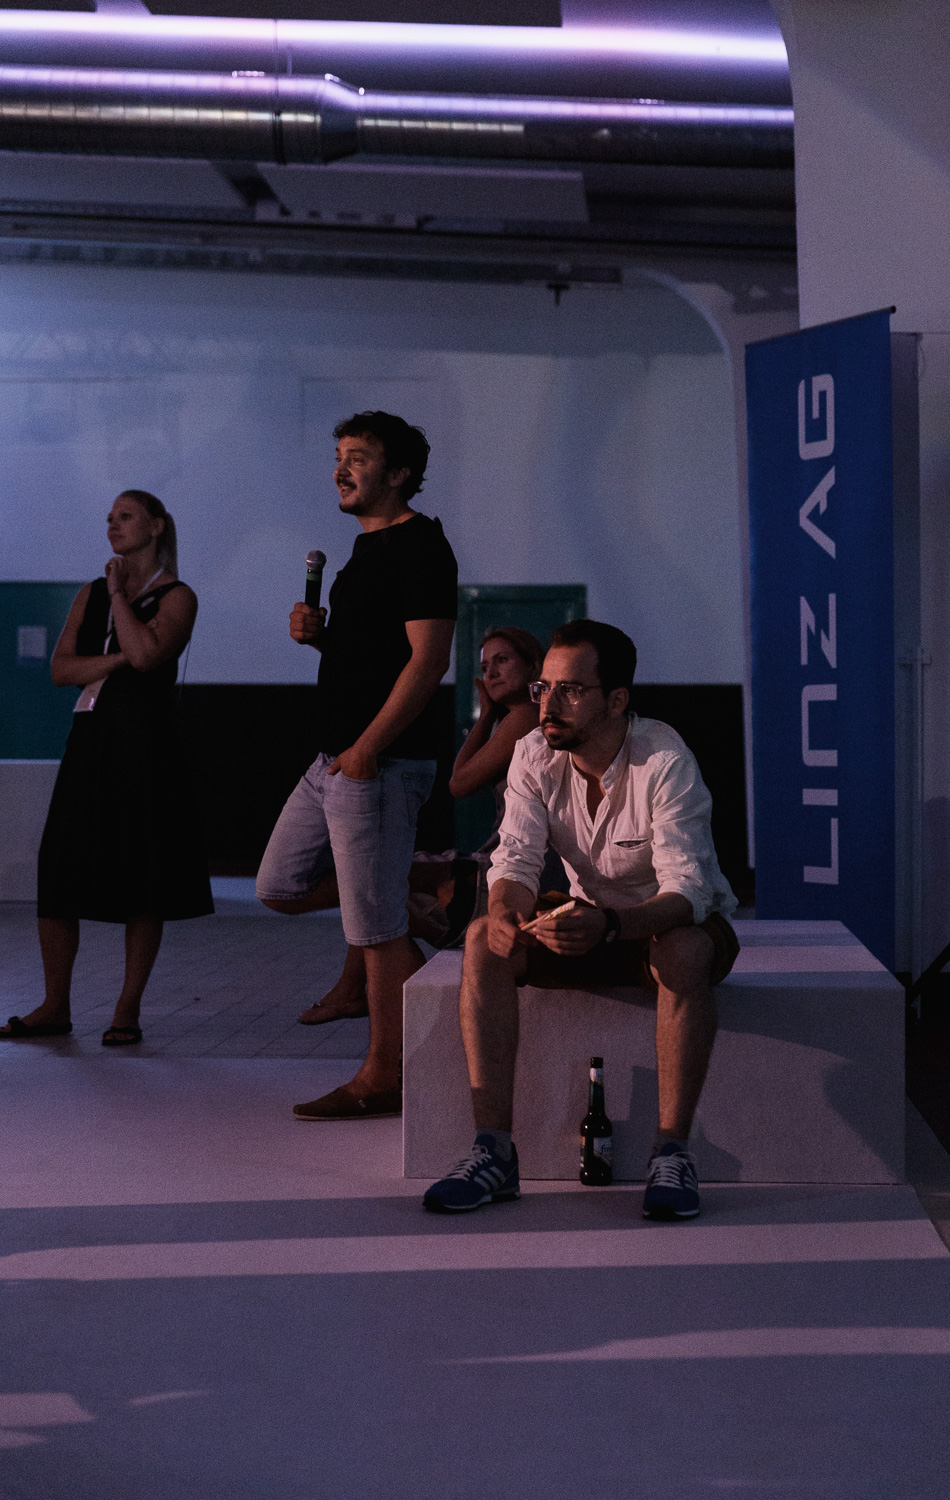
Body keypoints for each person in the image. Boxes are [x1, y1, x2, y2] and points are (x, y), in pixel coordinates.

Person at [423, 618, 739, 1221]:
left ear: (616, 700)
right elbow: (515, 860)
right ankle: (494, 1152)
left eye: (570, 690)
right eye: (543, 688)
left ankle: (672, 1153)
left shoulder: (664, 758)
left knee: (682, 950)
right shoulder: (533, 754)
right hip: (591, 920)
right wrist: (504, 913)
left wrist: (612, 925)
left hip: (664, 925)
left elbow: (689, 892)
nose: (548, 704)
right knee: (482, 940)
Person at [256, 410, 457, 1119]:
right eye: (339, 455)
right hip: (335, 760)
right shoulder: (365, 550)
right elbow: (374, 655)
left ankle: (382, 1077)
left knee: (373, 934)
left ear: (398, 473)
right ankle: (412, 900)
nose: (341, 468)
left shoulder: (421, 546)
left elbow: (429, 661)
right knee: (278, 887)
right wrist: (320, 639)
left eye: (360, 457)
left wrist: (369, 747)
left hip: (379, 763)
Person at [0, 489, 213, 1047]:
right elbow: (61, 669)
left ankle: (126, 1008)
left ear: (157, 526)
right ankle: (55, 1003)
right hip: (91, 739)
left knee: (143, 876)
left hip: (146, 745)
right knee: (58, 865)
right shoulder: (89, 592)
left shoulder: (178, 596)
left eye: (126, 516)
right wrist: (116, 655)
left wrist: (120, 597)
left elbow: (147, 656)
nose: (113, 526)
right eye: (109, 518)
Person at [296, 623, 545, 1027]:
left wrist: (484, 716)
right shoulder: (517, 719)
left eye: (503, 660)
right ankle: (371, 992)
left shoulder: (525, 717)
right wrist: (488, 716)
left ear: (534, 665)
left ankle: (361, 993)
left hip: (511, 863)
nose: (492, 673)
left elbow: (459, 783)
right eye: (485, 666)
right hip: (498, 855)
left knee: (377, 883)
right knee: (379, 889)